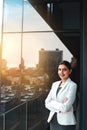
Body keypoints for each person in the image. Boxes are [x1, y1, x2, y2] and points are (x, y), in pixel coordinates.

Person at [45, 60, 77, 130]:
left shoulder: (72, 85)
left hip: (65, 123)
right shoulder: (55, 84)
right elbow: (46, 102)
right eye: (59, 69)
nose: (61, 72)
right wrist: (60, 104)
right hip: (53, 120)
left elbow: (66, 107)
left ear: (70, 71)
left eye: (64, 70)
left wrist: (52, 102)